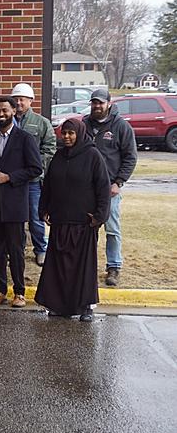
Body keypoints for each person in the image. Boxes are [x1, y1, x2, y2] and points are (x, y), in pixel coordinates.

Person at [35, 119, 111, 322]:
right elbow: (48, 185)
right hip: (60, 221)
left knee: (82, 268)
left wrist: (99, 216)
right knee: (59, 266)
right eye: (64, 133)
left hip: (84, 223)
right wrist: (44, 209)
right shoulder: (59, 156)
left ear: (79, 133)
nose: (66, 137)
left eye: (71, 133)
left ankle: (86, 307)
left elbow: (103, 188)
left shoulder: (93, 156)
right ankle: (61, 306)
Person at [0, 97, 43, 308]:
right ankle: (0, 290)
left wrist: (10, 177)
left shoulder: (25, 139)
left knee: (15, 250)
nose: (1, 114)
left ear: (14, 111)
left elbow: (35, 169)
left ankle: (19, 292)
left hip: (14, 204)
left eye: (5, 110)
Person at [82, 88, 137, 287]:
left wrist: (119, 182)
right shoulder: (84, 125)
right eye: (94, 102)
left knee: (112, 229)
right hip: (87, 188)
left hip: (110, 189)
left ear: (109, 104)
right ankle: (86, 266)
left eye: (101, 103)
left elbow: (130, 157)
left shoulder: (121, 127)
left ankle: (113, 267)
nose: (97, 106)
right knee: (88, 228)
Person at [10, 83, 56, 266]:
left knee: (36, 218)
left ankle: (40, 250)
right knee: (15, 218)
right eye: (16, 99)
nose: (19, 102)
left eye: (22, 99)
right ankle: (16, 249)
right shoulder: (7, 120)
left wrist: (35, 166)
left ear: (31, 101)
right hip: (12, 181)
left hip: (33, 181)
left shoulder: (41, 123)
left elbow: (50, 149)